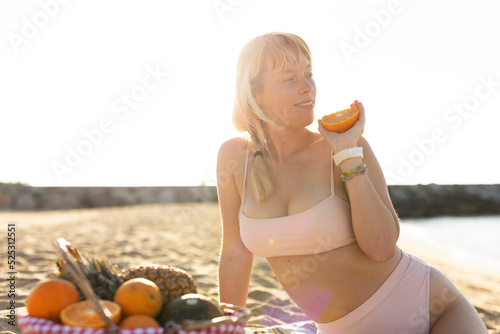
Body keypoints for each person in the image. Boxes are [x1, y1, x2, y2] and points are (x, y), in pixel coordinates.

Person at [216, 32, 487, 334]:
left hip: (433, 312)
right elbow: (234, 253)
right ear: (255, 93)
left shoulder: (347, 148)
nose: (308, 89)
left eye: (309, 74)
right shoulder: (234, 157)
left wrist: (347, 155)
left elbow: (382, 248)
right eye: (289, 79)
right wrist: (231, 325)